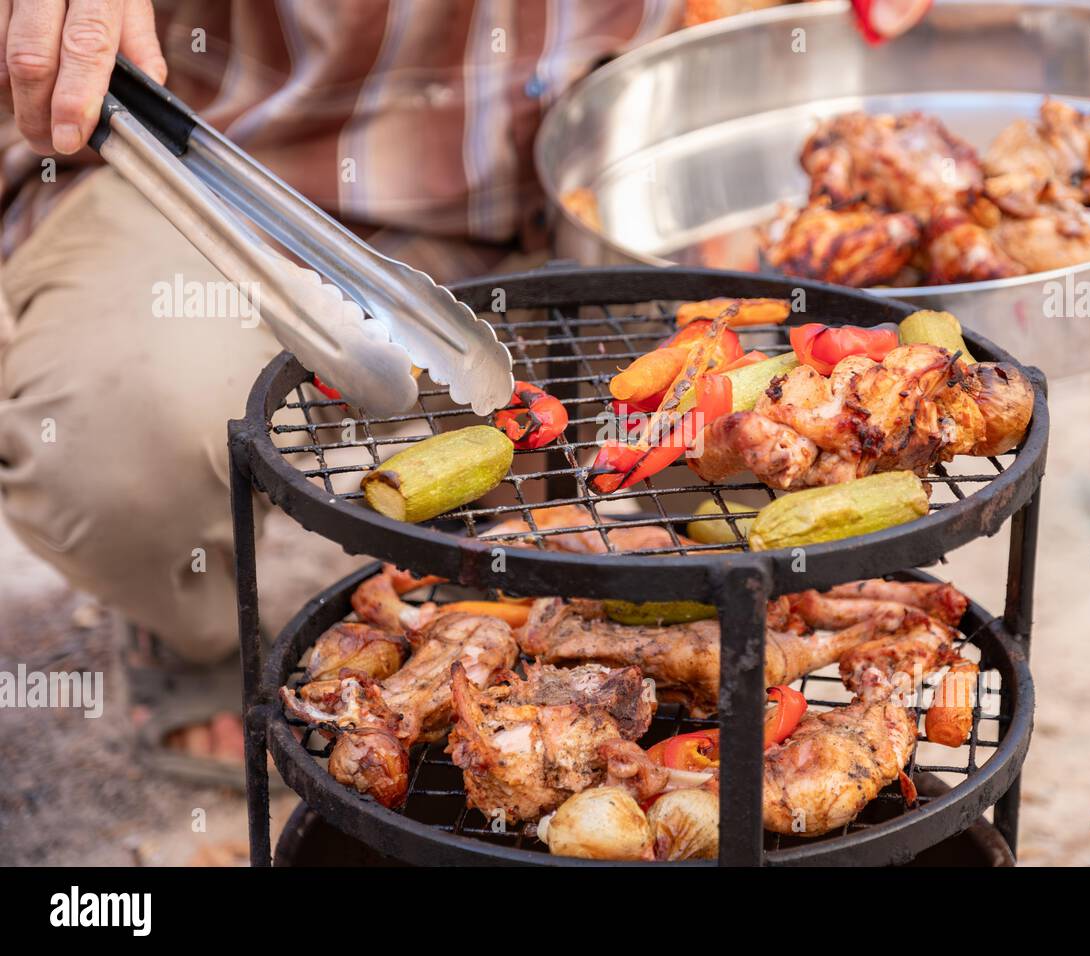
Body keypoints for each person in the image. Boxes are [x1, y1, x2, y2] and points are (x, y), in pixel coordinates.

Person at [0, 0, 684, 775]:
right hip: (208, 173)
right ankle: (200, 630)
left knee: (755, 404)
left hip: (576, 170)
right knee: (113, 441)